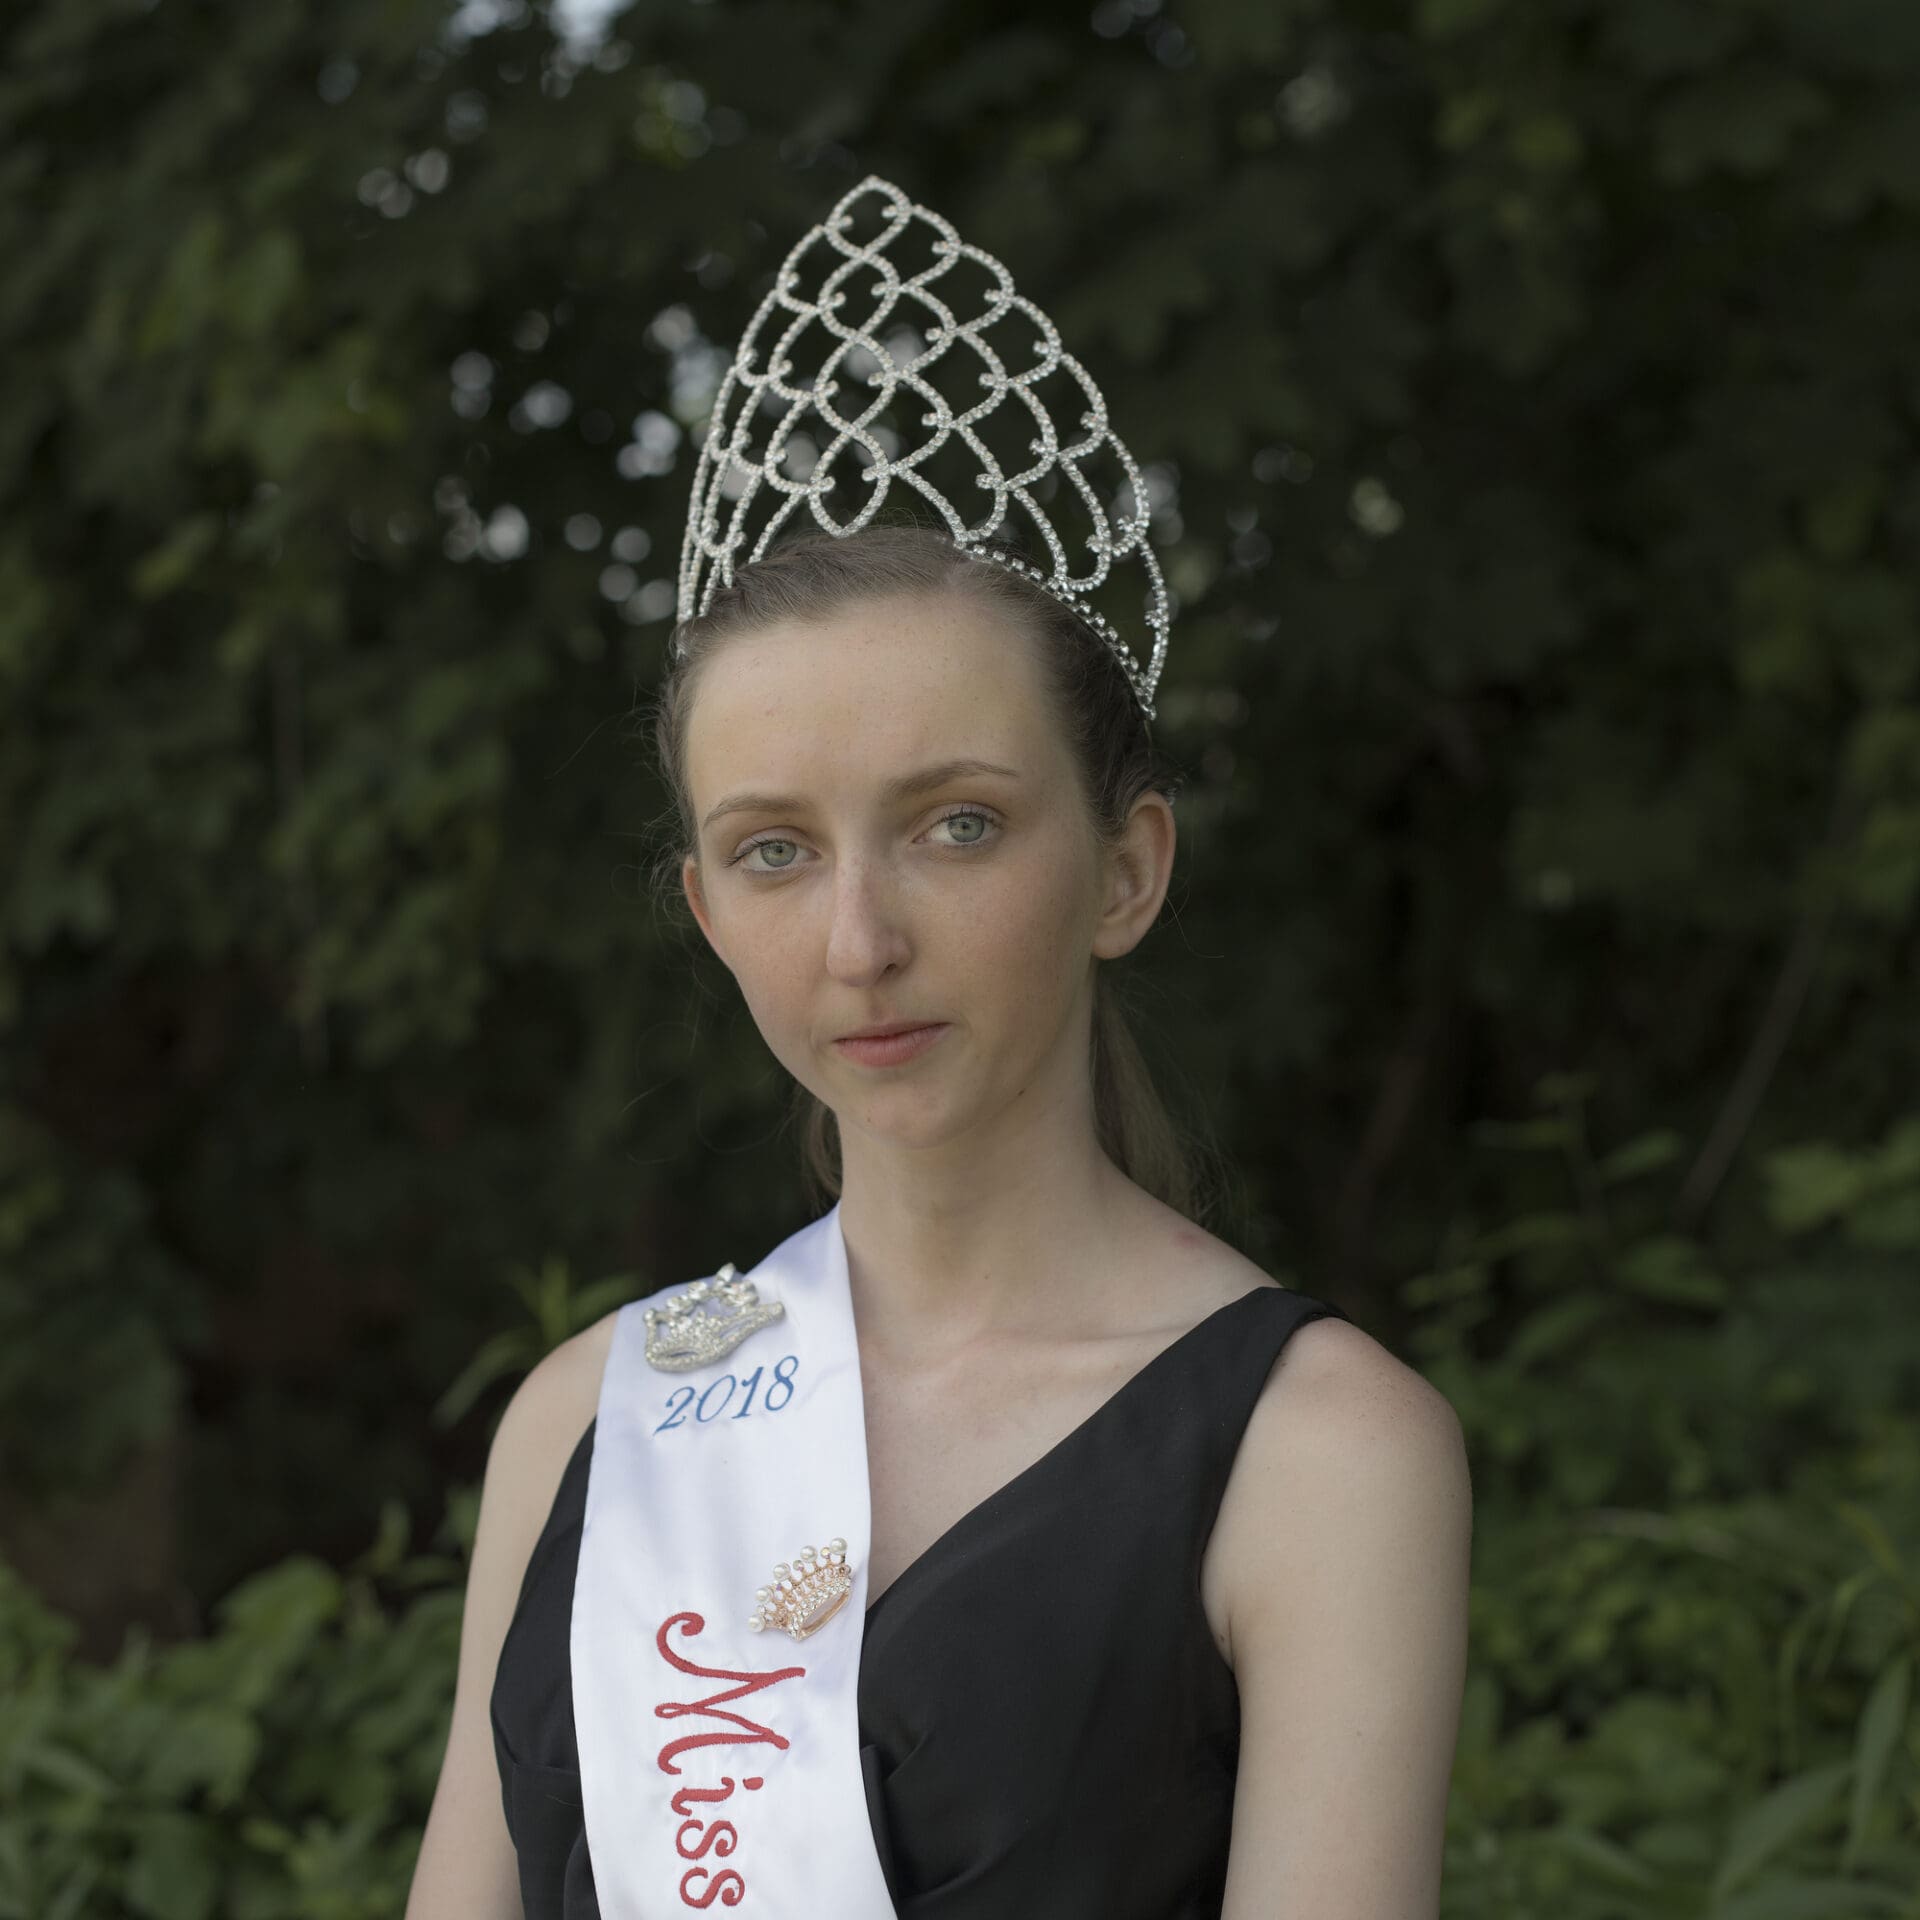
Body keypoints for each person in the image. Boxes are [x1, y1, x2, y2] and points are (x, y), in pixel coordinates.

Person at [407, 178, 1471, 1920]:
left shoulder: (1320, 1458)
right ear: (704, 909)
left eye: (957, 826)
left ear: (1126, 868)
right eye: (774, 850)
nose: (861, 941)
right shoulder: (591, 1418)